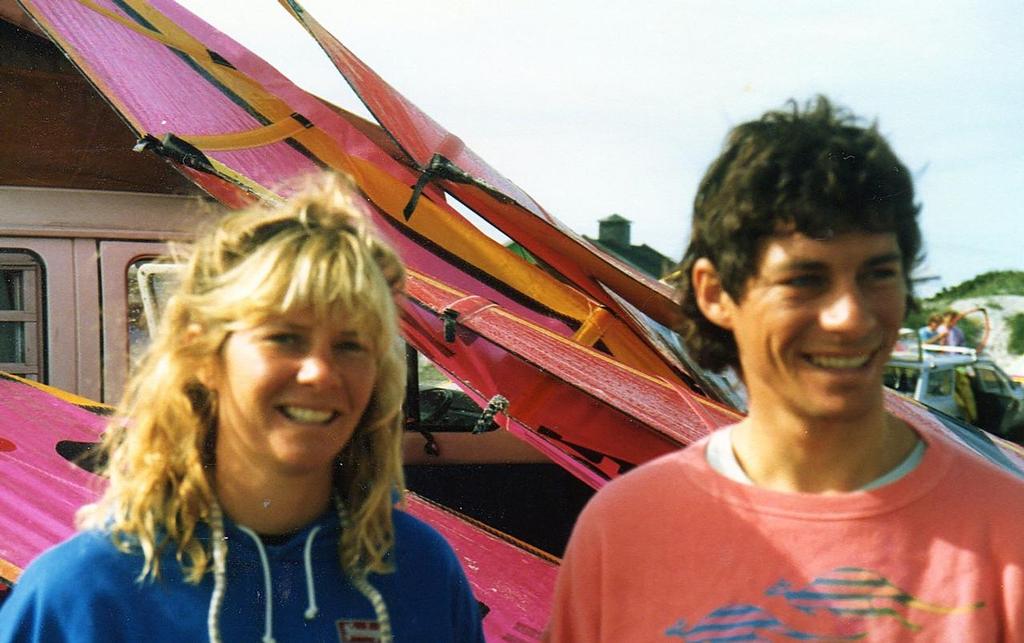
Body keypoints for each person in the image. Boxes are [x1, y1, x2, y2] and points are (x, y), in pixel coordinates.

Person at [545, 97, 1024, 641]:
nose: (850, 317)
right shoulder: (625, 532)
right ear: (716, 292)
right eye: (805, 280)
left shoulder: (1008, 535)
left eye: (878, 274)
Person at [0, 174, 485, 642]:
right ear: (204, 357)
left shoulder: (421, 572)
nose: (320, 372)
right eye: (284, 338)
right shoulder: (81, 594)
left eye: (352, 345)